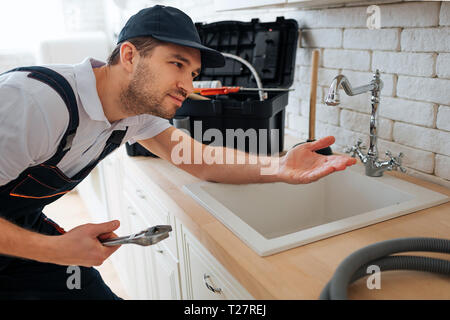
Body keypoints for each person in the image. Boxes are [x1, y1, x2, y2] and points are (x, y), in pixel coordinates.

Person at [0, 5, 356, 299]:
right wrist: (56, 250)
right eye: (177, 64)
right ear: (129, 56)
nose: (188, 85)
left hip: (20, 231)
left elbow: (199, 160)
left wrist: (279, 167)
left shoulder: (134, 114)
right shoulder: (35, 103)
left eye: (194, 72)